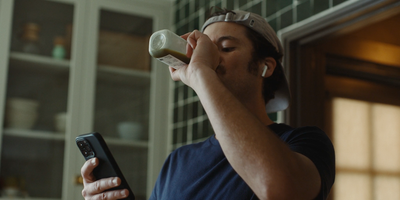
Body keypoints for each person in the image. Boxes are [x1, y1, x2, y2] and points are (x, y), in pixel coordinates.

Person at [80, 9, 335, 200]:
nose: (209, 59)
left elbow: (277, 188)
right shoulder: (177, 161)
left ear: (265, 66)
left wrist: (201, 71)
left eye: (225, 48)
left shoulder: (304, 143)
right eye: (205, 51)